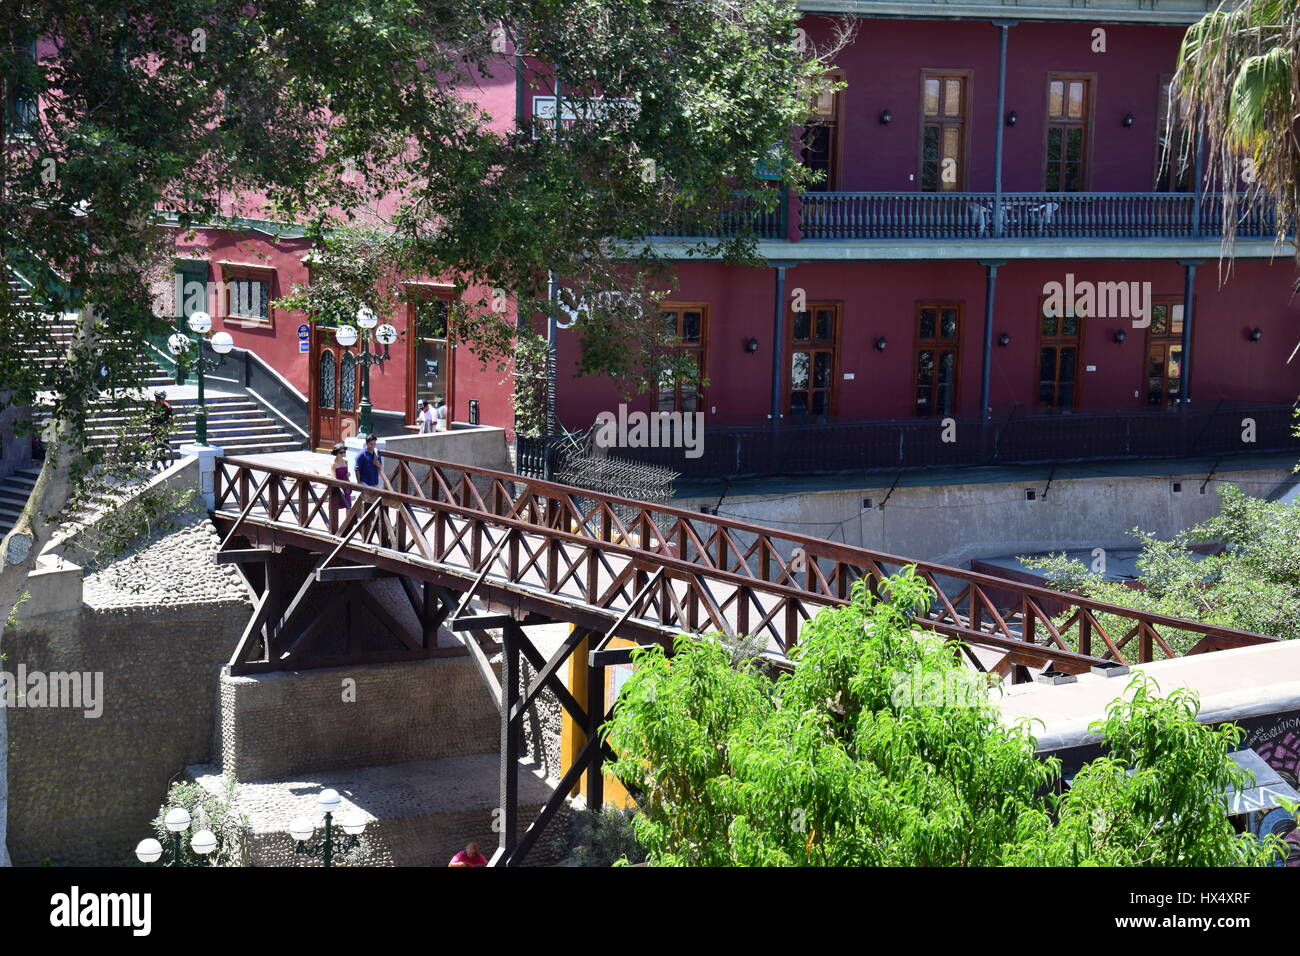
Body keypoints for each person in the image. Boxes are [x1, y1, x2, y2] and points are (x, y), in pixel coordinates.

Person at [149, 391, 174, 471]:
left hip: (164, 428)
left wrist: (171, 420)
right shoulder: (153, 406)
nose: (162, 400)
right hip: (155, 428)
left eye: (163, 398)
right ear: (156, 398)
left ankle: (164, 465)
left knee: (163, 447)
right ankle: (154, 464)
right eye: (160, 398)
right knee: (157, 446)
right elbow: (149, 416)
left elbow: (173, 415)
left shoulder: (167, 406)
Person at [330, 442, 352, 510]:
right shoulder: (333, 464)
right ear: (336, 453)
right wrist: (339, 486)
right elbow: (333, 477)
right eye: (341, 452)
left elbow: (346, 474)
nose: (343, 454)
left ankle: (348, 520)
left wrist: (348, 474)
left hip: (346, 486)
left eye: (344, 452)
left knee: (348, 505)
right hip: (338, 487)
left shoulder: (345, 462)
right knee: (336, 506)